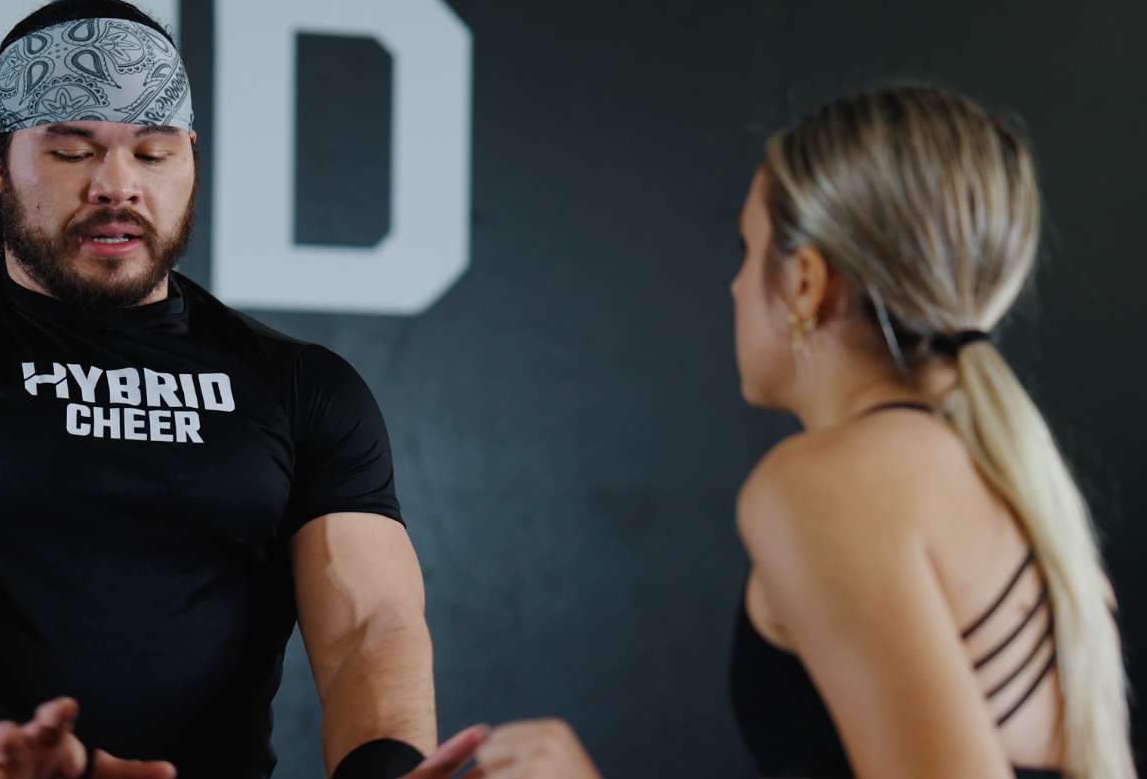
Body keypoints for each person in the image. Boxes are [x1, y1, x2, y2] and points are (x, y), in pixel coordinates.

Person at [0, 0, 483, 779]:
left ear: (191, 159)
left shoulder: (302, 387)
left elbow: (368, 631)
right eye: (73, 151)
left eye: (152, 151)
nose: (116, 185)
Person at [456, 86, 1134, 778]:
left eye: (747, 250)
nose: (735, 288)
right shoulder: (1006, 475)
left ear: (807, 283)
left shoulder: (828, 483)